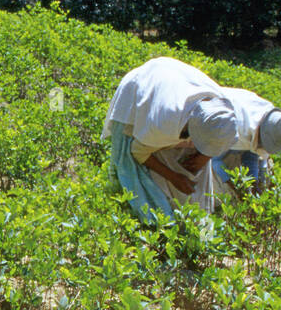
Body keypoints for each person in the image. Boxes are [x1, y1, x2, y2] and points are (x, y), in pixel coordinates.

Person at [101, 56, 240, 222]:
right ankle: (150, 221)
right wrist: (173, 177)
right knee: (132, 172)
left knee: (191, 172)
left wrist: (203, 157)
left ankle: (192, 221)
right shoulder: (164, 121)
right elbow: (138, 152)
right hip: (138, 88)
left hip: (173, 81)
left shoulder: (223, 114)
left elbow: (216, 141)